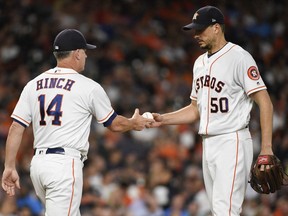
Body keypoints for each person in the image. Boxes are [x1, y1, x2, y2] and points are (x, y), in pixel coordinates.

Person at [1, 29, 154, 215]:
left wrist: (9, 166)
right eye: (85, 51)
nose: (86, 55)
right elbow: (115, 124)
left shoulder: (34, 84)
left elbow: (16, 127)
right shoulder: (88, 86)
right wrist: (133, 123)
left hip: (38, 165)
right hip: (64, 165)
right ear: (77, 53)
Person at [147, 5, 274, 216]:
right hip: (208, 143)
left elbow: (265, 102)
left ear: (216, 28)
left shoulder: (239, 57)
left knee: (226, 211)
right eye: (194, 30)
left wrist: (266, 148)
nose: (196, 35)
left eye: (201, 29)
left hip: (231, 140)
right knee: (218, 210)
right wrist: (163, 119)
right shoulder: (199, 63)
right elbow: (195, 110)